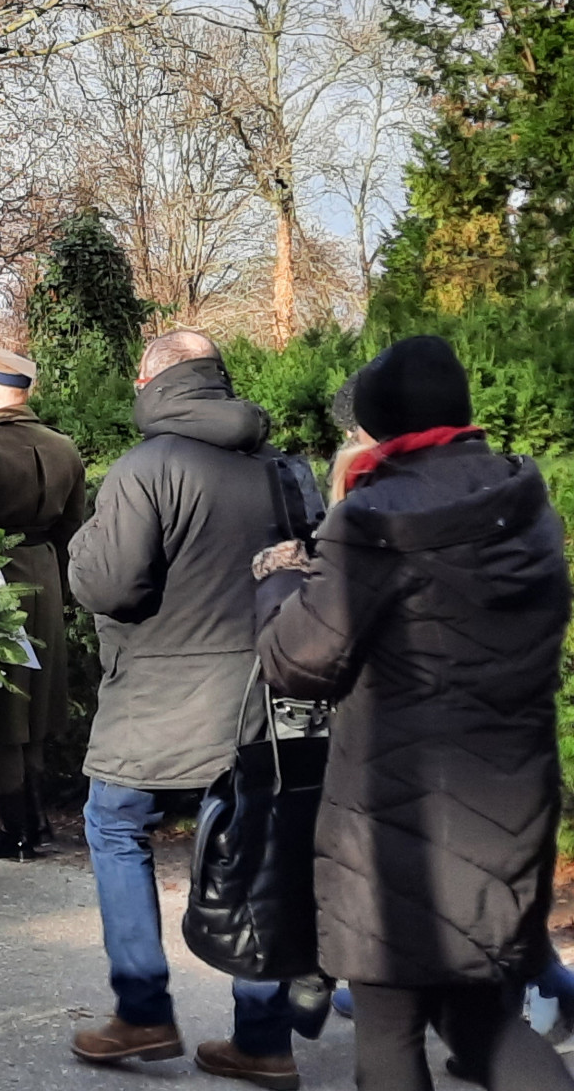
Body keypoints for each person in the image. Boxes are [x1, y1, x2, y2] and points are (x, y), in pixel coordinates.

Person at [254, 335, 573, 1091]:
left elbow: (299, 663)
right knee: (480, 1019)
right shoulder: (527, 506)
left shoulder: (370, 520)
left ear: (379, 425)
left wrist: (276, 582)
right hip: (513, 805)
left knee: (391, 1032)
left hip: (396, 819)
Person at [66, 330, 304, 1088]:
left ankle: (142, 1012)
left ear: (153, 379)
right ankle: (264, 1041)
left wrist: (78, 549)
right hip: (267, 702)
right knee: (258, 856)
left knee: (114, 823)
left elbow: (112, 588)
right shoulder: (285, 469)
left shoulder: (146, 468)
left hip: (160, 698)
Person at [0, 346, 85, 861]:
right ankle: (39, 820)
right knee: (35, 706)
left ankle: (19, 829)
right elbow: (75, 528)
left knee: (4, 712)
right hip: (45, 577)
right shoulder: (64, 448)